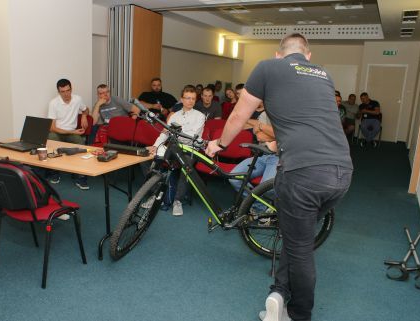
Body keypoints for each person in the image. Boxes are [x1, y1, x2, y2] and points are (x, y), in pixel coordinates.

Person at [206, 33, 353, 321]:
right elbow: (310, 123)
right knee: (296, 233)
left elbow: (238, 115)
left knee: (301, 250)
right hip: (341, 173)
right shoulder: (323, 74)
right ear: (307, 56)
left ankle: (298, 314)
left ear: (278, 55)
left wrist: (219, 144)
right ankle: (278, 292)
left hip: (304, 174)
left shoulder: (267, 67)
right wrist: (275, 145)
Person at [147, 86, 205, 216]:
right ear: (182, 99)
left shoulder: (200, 116)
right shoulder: (174, 116)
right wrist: (155, 146)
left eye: (193, 99)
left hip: (190, 150)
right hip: (174, 146)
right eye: (187, 98)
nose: (190, 101)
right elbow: (165, 133)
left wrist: (175, 133)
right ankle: (155, 195)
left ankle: (177, 201)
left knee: (186, 167)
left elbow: (191, 138)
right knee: (155, 159)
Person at [229, 107, 278, 210]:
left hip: (278, 157)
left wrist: (261, 126)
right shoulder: (265, 113)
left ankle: (260, 208)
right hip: (261, 154)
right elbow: (260, 136)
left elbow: (282, 135)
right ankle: (260, 206)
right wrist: (274, 135)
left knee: (266, 188)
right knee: (234, 178)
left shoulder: (289, 116)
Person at [47, 78, 90, 190]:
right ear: (58, 92)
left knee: (81, 144)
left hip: (71, 133)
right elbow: (52, 128)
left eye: (68, 90)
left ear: (71, 89)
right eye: (63, 91)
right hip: (58, 132)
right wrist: (72, 131)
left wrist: (84, 116)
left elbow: (86, 109)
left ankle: (81, 177)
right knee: (51, 140)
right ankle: (54, 173)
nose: (66, 94)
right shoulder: (53, 103)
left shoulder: (77, 99)